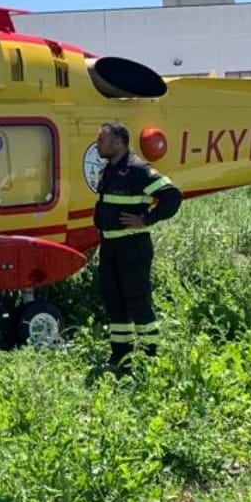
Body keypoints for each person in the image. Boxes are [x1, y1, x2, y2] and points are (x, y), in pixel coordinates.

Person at [93, 121, 182, 370]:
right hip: (110, 247)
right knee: (115, 302)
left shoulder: (138, 170)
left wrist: (146, 219)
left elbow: (172, 195)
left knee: (138, 300)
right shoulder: (110, 170)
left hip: (133, 247)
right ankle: (121, 356)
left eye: (102, 140)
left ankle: (149, 358)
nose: (98, 144)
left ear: (118, 142)